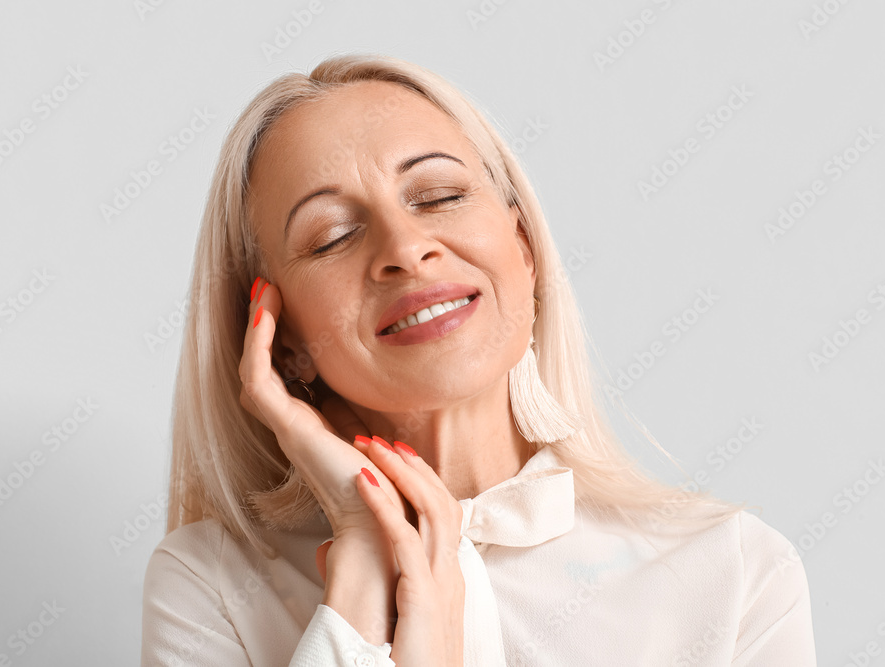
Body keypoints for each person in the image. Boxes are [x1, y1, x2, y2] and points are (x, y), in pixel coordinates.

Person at [140, 54, 816, 666]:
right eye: (333, 237)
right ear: (280, 336)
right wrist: (357, 589)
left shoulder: (734, 572)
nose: (405, 247)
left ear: (523, 250)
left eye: (439, 196)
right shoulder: (211, 585)